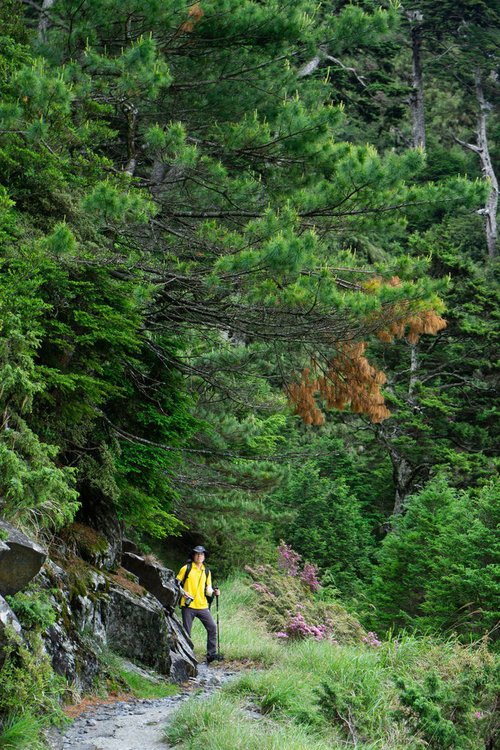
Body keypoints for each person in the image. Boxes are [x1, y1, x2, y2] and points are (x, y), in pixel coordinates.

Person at [176, 545, 222, 663]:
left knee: (212, 627)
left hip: (202, 605)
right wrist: (183, 593)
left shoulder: (206, 571)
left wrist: (215, 592)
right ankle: (187, 655)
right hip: (188, 605)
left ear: (204, 556)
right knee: (187, 632)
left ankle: (211, 655)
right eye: (197, 554)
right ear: (193, 555)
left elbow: (208, 589)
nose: (199, 556)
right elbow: (176, 583)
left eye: (201, 554)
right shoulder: (186, 568)